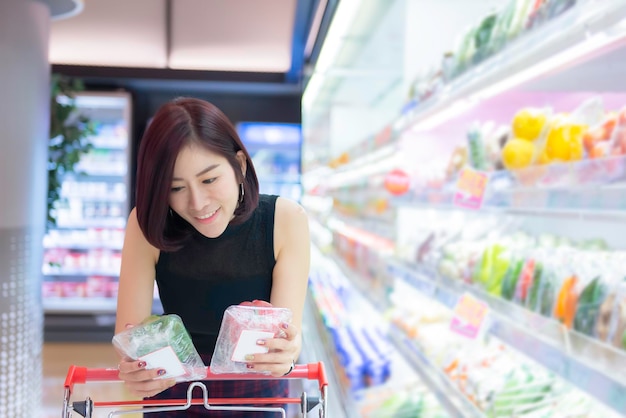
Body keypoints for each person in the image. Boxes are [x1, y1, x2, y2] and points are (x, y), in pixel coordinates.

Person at [114, 97, 311, 417]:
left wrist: (285, 353)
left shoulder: (285, 220)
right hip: (173, 386)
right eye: (176, 188)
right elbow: (129, 335)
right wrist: (134, 369)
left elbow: (289, 336)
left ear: (240, 166)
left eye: (209, 179)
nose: (198, 202)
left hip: (257, 389)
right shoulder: (146, 224)